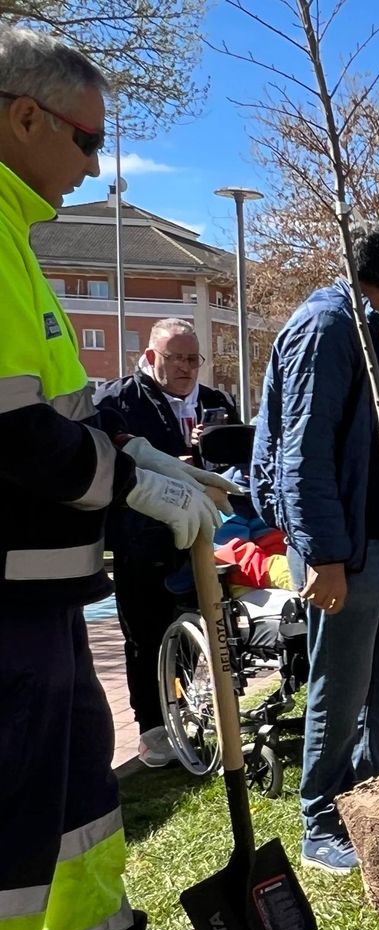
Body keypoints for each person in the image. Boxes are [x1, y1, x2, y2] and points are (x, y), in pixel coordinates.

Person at [0, 26, 236, 930]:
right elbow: (12, 441)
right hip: (5, 596)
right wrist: (127, 478)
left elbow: (56, 407)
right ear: (24, 116)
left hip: (42, 592)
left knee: (77, 778)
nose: (95, 165)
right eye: (87, 139)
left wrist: (138, 451)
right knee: (9, 811)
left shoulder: (18, 237)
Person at [251, 219, 379, 874]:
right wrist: (323, 555)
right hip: (344, 552)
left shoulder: (366, 330)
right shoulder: (327, 329)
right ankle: (322, 822)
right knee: (340, 689)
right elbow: (304, 455)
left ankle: (369, 802)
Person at [94, 318, 238, 766]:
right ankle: (153, 729)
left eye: (193, 359)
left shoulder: (216, 402)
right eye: (176, 358)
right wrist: (160, 467)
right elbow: (106, 459)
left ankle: (199, 716)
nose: (186, 368)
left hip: (206, 536)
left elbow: (236, 459)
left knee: (207, 625)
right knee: (145, 634)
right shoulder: (117, 399)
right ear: (152, 356)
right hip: (142, 541)